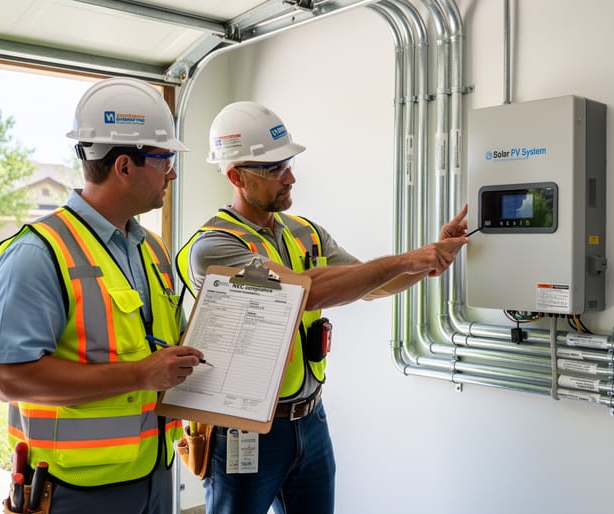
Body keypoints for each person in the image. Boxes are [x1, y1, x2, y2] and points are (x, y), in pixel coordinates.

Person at [176, 101, 470, 514]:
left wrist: (431, 259)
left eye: (289, 164)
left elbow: (370, 283)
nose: (291, 177)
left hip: (310, 420)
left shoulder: (305, 232)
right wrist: (410, 259)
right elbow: (303, 293)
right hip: (244, 430)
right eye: (276, 169)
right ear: (236, 176)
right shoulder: (214, 247)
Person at [0, 77, 206, 514]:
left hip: (155, 473)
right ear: (124, 167)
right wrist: (141, 375)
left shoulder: (152, 249)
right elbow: (9, 379)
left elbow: (161, 350)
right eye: (164, 159)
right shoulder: (37, 253)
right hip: (75, 489)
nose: (173, 172)